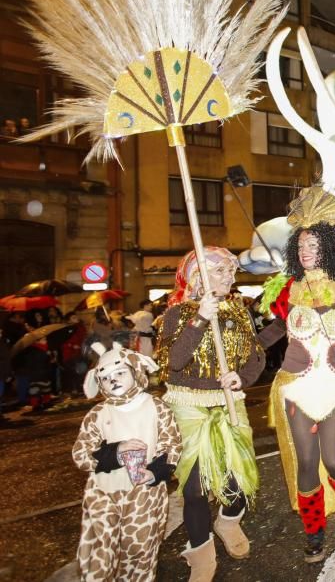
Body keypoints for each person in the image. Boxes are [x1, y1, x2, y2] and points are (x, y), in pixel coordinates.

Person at [259, 186, 335, 561]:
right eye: (301, 246)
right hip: (297, 387)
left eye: (313, 245)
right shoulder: (284, 292)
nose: (305, 252)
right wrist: (242, 354)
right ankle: (314, 532)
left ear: (328, 247)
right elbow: (275, 332)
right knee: (306, 463)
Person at [156, 247, 277, 580]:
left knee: (238, 482)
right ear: (199, 276)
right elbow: (173, 364)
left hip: (228, 401)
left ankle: (228, 520)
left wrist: (243, 377)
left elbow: (255, 355)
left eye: (231, 271)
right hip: (188, 403)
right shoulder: (177, 313)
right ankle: (201, 553)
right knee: (193, 487)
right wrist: (200, 319)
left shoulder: (238, 310)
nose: (231, 277)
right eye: (222, 271)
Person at [73, 342, 181, 582]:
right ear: (99, 383)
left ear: (135, 372)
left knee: (140, 551)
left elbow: (172, 446)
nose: (113, 380)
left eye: (120, 373)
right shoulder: (98, 414)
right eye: (106, 378)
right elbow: (81, 454)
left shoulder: (156, 407)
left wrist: (154, 473)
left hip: (144, 496)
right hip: (103, 493)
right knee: (101, 554)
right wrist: (115, 452)